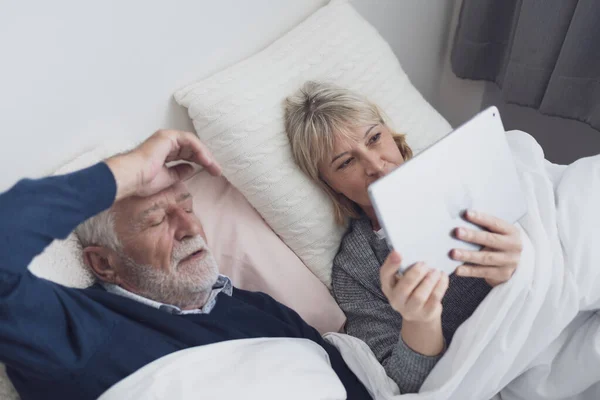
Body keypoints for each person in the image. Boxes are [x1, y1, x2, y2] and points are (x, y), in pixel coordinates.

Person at [0, 129, 372, 400]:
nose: (191, 227)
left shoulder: (257, 308)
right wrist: (127, 170)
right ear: (102, 263)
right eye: (158, 219)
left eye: (189, 208)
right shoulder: (76, 329)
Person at [284, 81, 524, 393]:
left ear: (390, 133)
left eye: (374, 138)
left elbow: (550, 227)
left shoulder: (460, 166)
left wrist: (519, 268)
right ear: (329, 185)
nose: (374, 164)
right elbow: (401, 387)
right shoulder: (357, 267)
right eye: (345, 162)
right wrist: (419, 320)